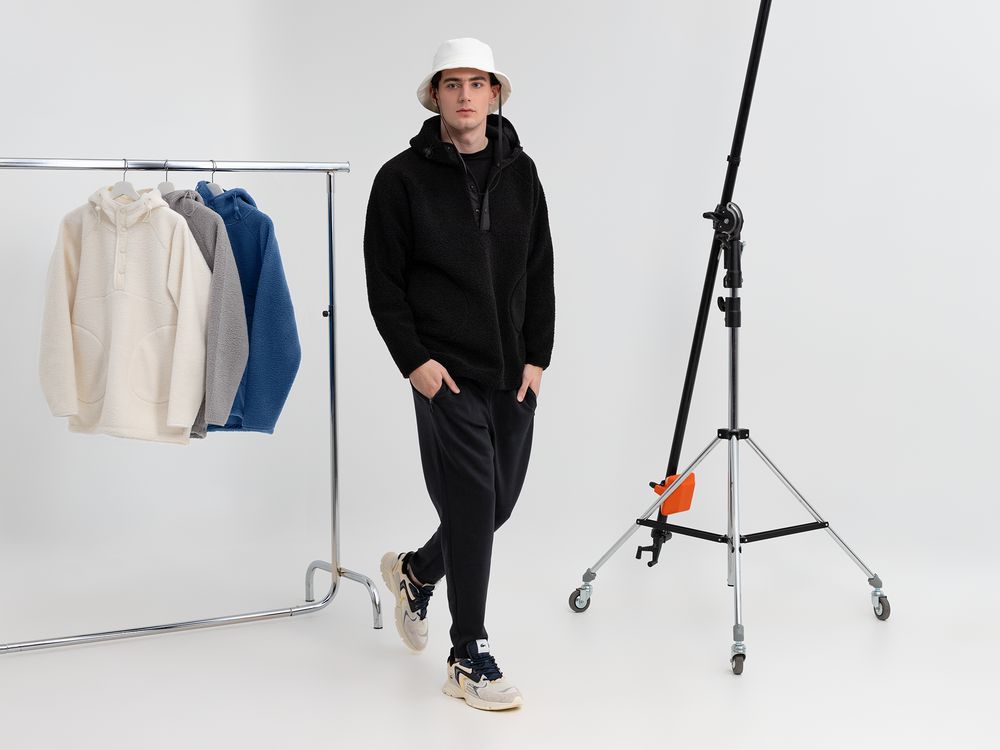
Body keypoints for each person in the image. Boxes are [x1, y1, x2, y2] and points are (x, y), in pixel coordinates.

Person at [363, 37, 555, 711]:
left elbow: (539, 268)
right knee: (473, 504)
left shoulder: (522, 173)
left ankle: (417, 573)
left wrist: (538, 357)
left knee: (496, 506)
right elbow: (383, 282)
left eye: (478, 83)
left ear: (495, 94)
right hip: (443, 370)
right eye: (453, 84)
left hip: (512, 371)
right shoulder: (400, 179)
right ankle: (467, 654)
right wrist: (414, 361)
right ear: (435, 96)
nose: (466, 95)